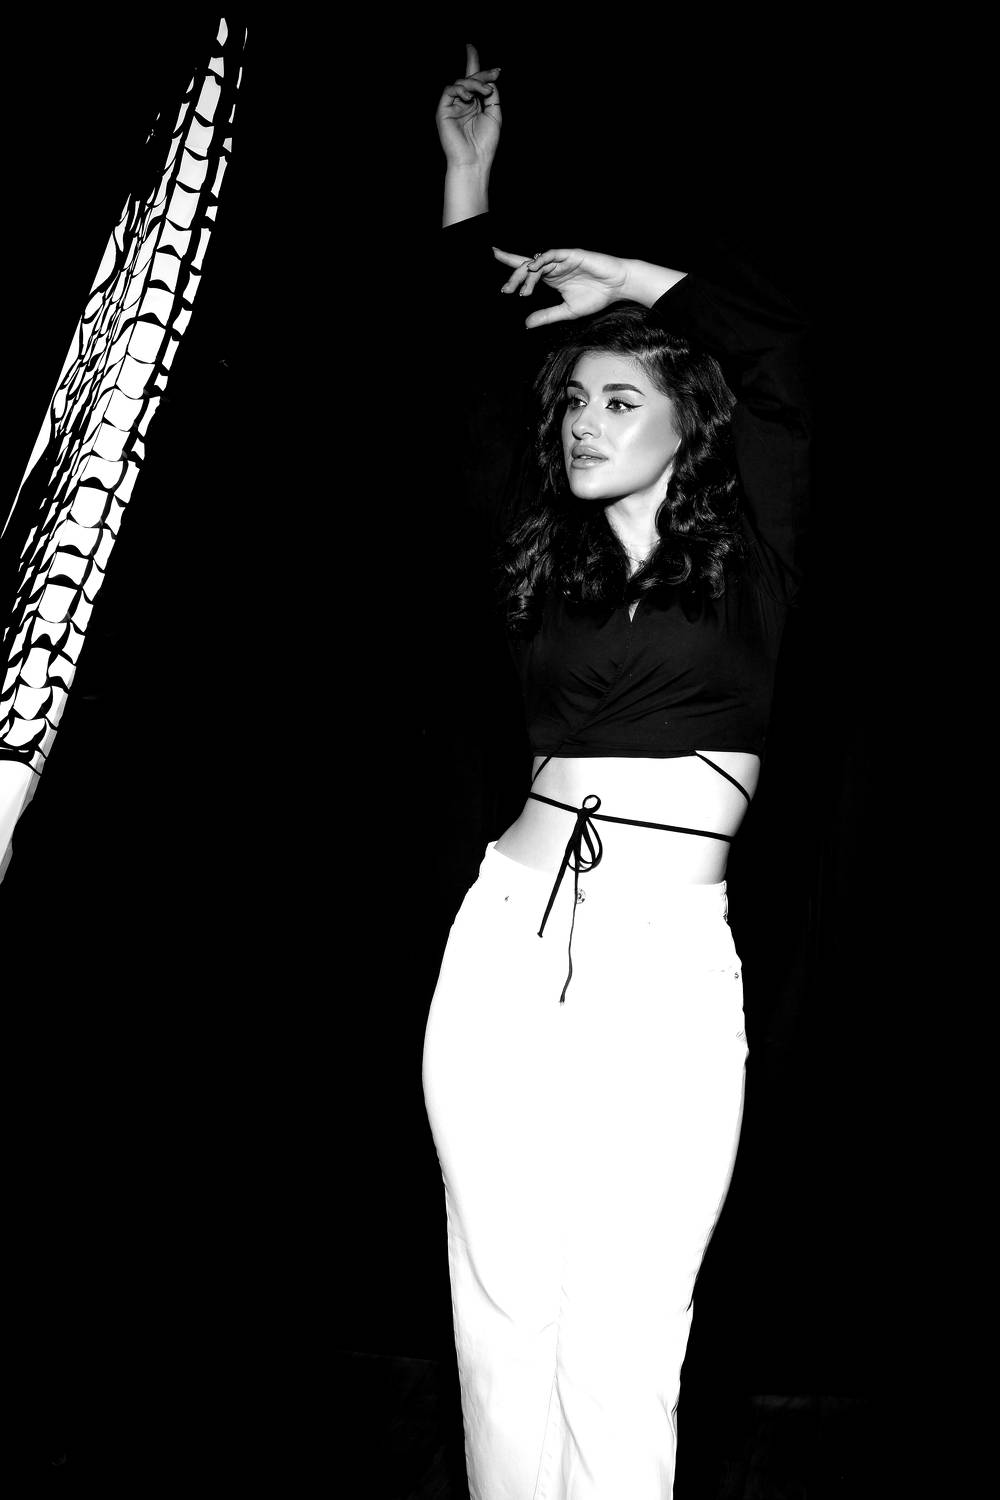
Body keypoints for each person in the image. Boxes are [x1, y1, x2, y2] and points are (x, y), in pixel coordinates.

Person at [421, 44, 810, 1500]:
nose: (583, 421)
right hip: (502, 941)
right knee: (502, 1310)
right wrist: (467, 185)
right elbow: (464, 388)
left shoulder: (757, 557)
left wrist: (639, 285)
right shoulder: (544, 567)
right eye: (574, 402)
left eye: (619, 401)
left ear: (688, 423)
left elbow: (779, 349)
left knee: (628, 1326)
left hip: (661, 954)